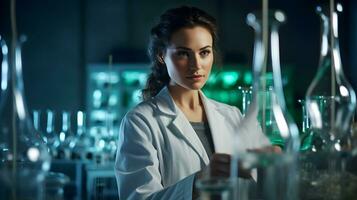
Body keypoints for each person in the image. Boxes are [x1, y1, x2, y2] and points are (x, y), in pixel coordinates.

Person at [114, 6, 273, 200]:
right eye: (183, 53)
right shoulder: (140, 122)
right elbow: (137, 197)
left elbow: (257, 187)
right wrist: (198, 182)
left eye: (204, 52)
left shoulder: (233, 115)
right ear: (161, 55)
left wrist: (271, 167)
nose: (196, 65)